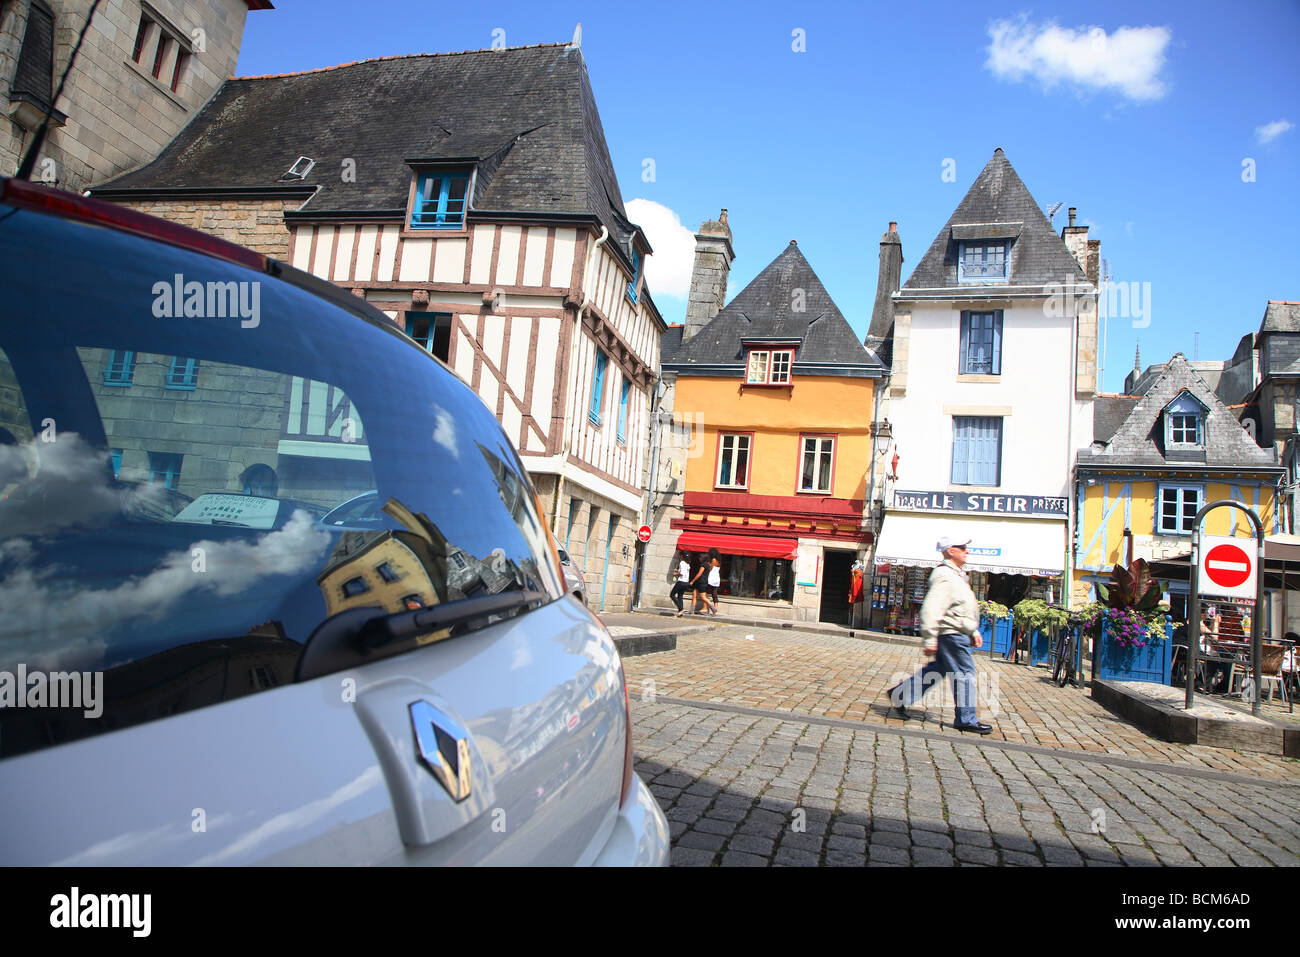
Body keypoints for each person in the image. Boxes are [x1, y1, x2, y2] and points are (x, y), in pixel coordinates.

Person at [885, 534, 992, 734]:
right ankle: (967, 719)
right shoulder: (945, 575)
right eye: (962, 547)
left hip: (955, 632)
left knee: (938, 670)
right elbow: (931, 608)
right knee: (964, 674)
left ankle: (900, 695)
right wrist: (930, 638)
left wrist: (972, 630)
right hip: (951, 633)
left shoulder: (956, 575)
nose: (967, 551)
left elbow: (960, 608)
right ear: (951, 550)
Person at [670, 551, 693, 617]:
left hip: (681, 582)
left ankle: (681, 608)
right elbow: (685, 572)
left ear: (682, 556)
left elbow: (682, 573)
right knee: (680, 596)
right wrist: (678, 571)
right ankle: (680, 612)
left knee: (672, 595)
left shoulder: (682, 562)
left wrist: (676, 574)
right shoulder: (687, 563)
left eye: (680, 555)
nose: (679, 557)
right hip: (686, 582)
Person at [701, 549, 722, 616]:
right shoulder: (719, 561)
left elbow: (710, 568)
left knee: (705, 592)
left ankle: (705, 608)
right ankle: (715, 610)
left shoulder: (713, 560)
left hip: (711, 578)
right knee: (714, 594)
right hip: (716, 578)